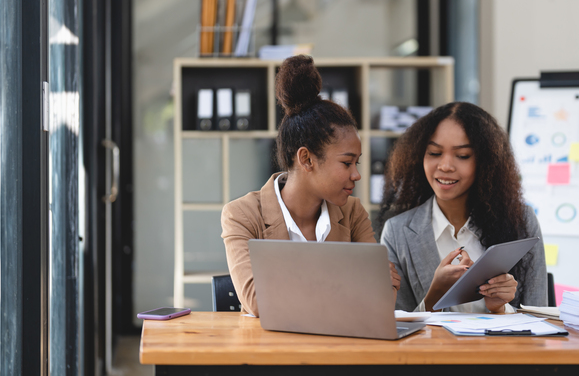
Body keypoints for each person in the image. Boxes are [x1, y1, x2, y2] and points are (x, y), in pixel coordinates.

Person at [221, 55, 400, 316]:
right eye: (346, 163)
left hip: (339, 349)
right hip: (273, 352)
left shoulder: (352, 213)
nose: (356, 175)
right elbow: (258, 301)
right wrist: (354, 281)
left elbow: (382, 295)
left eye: (357, 163)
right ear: (306, 159)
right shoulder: (242, 215)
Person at [378, 102, 547, 313]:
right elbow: (395, 325)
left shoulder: (521, 220)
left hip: (500, 347)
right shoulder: (398, 232)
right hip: (432, 348)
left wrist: (500, 309)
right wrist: (434, 296)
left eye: (463, 156)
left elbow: (540, 317)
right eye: (434, 153)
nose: (445, 166)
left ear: (485, 162)